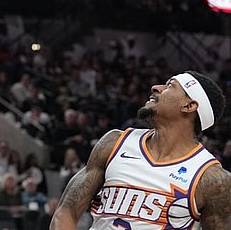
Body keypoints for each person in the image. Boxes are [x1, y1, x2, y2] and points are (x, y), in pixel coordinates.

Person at [50, 70, 231, 229]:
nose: (155, 87)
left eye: (169, 86)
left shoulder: (211, 178)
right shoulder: (115, 143)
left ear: (189, 106)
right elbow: (65, 213)